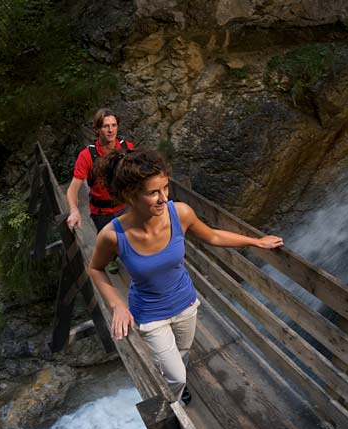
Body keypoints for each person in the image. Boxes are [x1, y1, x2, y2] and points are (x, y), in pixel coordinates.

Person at [87, 149, 283, 404]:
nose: (163, 198)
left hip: (186, 303)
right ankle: (175, 401)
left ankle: (173, 379)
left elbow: (212, 235)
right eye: (153, 192)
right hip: (150, 314)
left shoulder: (179, 213)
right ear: (130, 196)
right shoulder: (113, 235)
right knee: (178, 376)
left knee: (182, 353)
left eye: (165, 188)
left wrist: (256, 241)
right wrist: (117, 305)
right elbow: (95, 268)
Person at [66, 108, 135, 272]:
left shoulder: (127, 148)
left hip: (125, 204)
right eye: (105, 126)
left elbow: (138, 174)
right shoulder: (87, 155)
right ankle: (110, 259)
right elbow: (72, 189)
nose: (111, 130)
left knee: (130, 240)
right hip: (101, 210)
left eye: (114, 125)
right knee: (108, 242)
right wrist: (74, 210)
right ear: (97, 130)